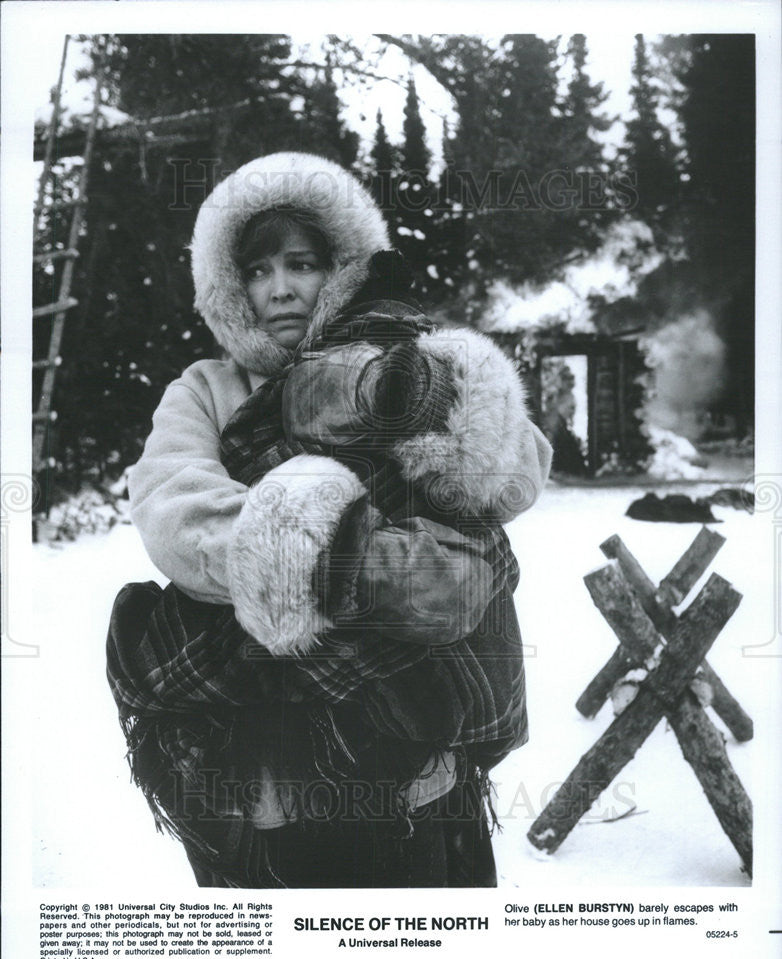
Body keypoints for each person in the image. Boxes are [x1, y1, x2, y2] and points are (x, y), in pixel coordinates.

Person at [106, 151, 552, 889]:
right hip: (274, 744)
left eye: (300, 262)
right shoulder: (207, 389)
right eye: (255, 270)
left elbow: (517, 475)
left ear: (341, 266)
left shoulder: (397, 363)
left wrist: (469, 405)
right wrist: (339, 561)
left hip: (419, 743)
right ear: (227, 286)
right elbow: (174, 508)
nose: (279, 288)